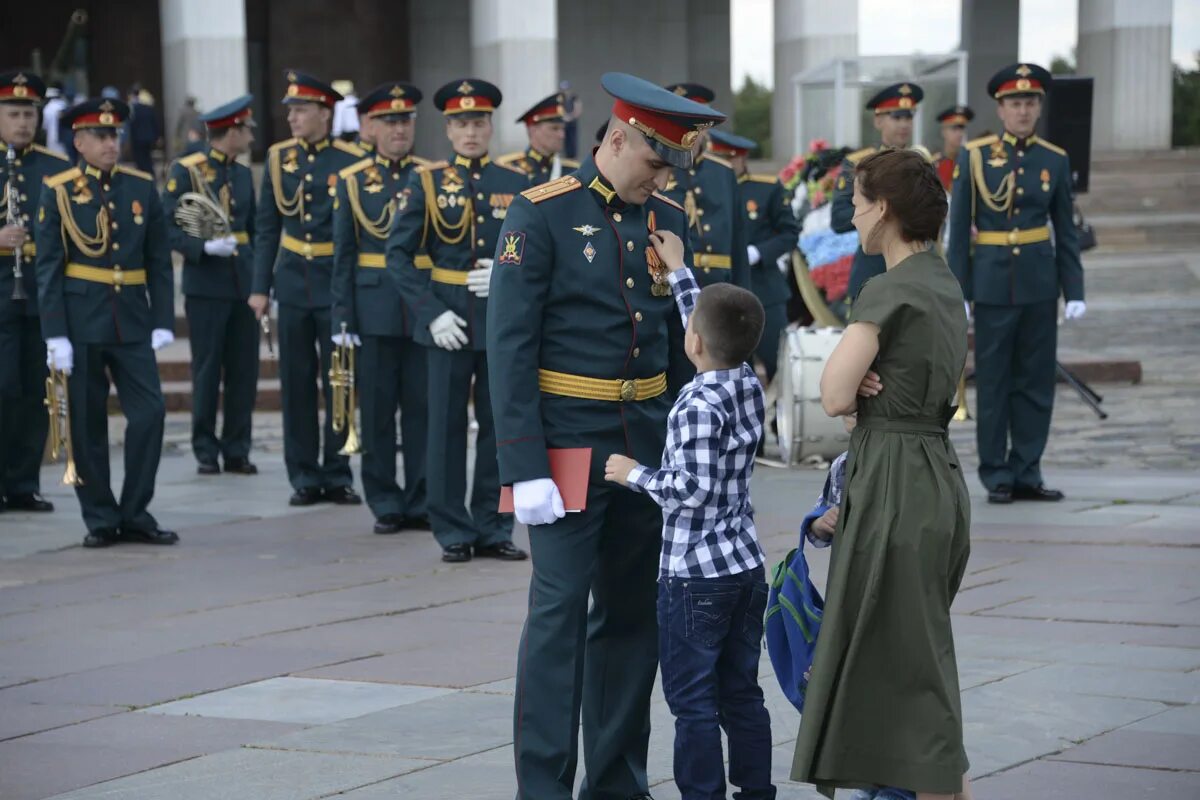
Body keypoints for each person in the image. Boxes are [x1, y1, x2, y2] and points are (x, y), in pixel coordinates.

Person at [489, 71, 724, 800]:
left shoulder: (663, 218)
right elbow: (509, 348)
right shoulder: (540, 214)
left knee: (630, 620)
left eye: (668, 171)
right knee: (558, 619)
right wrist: (522, 465)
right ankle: (543, 788)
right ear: (617, 139)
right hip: (564, 444)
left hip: (645, 446)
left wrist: (690, 446)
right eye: (653, 163)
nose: (659, 181)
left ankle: (618, 783)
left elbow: (676, 342)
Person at [789, 149, 971, 799]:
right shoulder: (943, 280)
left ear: (884, 210)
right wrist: (869, 394)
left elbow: (834, 395)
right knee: (911, 661)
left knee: (915, 676)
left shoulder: (887, 288)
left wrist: (856, 389)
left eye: (860, 202)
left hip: (895, 484)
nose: (855, 214)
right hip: (934, 473)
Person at [604, 252, 775, 800]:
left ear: (694, 342)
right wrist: (680, 274)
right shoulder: (745, 379)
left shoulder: (696, 402)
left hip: (695, 576)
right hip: (745, 565)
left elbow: (691, 491)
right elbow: (709, 322)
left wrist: (635, 475)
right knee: (741, 693)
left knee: (693, 701)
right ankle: (756, 792)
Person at [388, 77, 529, 563]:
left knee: (499, 426)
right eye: (461, 124)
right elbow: (398, 256)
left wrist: (510, 276)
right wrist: (431, 314)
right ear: (448, 130)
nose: (471, 132)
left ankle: (494, 525)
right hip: (446, 317)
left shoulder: (516, 184)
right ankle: (451, 528)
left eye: (479, 123)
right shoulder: (425, 181)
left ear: (490, 127)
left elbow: (533, 251)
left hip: (498, 318)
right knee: (443, 427)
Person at [34, 98, 177, 548]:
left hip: (132, 320)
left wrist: (161, 318)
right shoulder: (58, 189)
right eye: (100, 135)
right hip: (81, 321)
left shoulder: (139, 187)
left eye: (114, 134)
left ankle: (135, 510)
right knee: (86, 423)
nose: (110, 143)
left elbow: (159, 259)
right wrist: (55, 332)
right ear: (78, 141)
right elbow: (49, 267)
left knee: (150, 414)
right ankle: (99, 516)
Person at [947, 63, 1083, 505]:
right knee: (994, 382)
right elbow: (959, 227)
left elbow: (1066, 230)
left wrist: (1074, 289)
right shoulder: (976, 155)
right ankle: (996, 474)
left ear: (1039, 108)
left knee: (1036, 381)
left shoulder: (1055, 159)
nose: (1023, 111)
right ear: (1001, 110)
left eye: (1030, 103)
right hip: (990, 284)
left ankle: (1028, 469)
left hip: (1039, 284)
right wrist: (959, 289)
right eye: (1014, 104)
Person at [248, 70, 365, 507]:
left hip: (335, 283)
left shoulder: (351, 160)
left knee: (340, 379)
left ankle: (337, 473)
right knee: (295, 383)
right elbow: (266, 228)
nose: (292, 118)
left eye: (301, 110)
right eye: (290, 111)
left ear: (324, 112)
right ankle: (303, 475)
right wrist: (260, 287)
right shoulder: (279, 159)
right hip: (294, 281)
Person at [331, 82, 432, 535]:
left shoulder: (431, 174)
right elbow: (343, 256)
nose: (399, 130)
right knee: (375, 412)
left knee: (422, 410)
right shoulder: (352, 181)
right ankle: (385, 500)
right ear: (371, 127)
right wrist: (342, 319)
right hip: (372, 308)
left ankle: (422, 497)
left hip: (421, 308)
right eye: (390, 122)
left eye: (406, 121)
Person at [162, 95, 259, 476]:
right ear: (230, 131)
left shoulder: (240, 171)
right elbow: (169, 225)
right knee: (207, 370)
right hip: (206, 283)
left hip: (243, 282)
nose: (250, 135)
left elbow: (251, 227)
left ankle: (238, 448)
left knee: (243, 371)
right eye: (246, 129)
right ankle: (205, 448)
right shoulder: (186, 170)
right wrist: (201, 247)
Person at [0, 71, 68, 514]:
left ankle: (23, 483)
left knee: (31, 391)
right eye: (13, 113)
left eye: (29, 113)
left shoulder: (55, 168)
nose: (22, 122)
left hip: (39, 296)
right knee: (2, 387)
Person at [659, 82, 749, 394]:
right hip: (676, 293)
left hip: (721, 290)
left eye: (697, 124)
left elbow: (738, 242)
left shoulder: (723, 172)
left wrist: (743, 301)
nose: (692, 133)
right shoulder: (660, 168)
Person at [709, 128, 799, 382]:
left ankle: (779, 422)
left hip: (765, 291)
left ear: (741, 158)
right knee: (729, 371)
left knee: (779, 367)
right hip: (723, 292)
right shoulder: (708, 192)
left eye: (729, 160)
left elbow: (790, 232)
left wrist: (758, 252)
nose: (724, 167)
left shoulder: (766, 188)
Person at [830, 82, 924, 303]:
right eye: (896, 117)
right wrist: (882, 211)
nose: (904, 124)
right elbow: (839, 219)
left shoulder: (921, 165)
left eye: (908, 117)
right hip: (873, 275)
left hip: (915, 276)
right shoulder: (858, 165)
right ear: (878, 120)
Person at [496, 92, 579, 185]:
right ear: (533, 130)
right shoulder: (508, 168)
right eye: (554, 128)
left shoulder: (573, 171)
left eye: (563, 129)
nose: (562, 135)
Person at [932, 105, 973, 193]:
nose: (959, 134)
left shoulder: (970, 162)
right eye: (954, 129)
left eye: (962, 128)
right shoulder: (934, 165)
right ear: (943, 132)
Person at [126, 86, 161, 178]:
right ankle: (151, 175)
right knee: (148, 158)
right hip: (149, 138)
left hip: (138, 139)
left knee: (140, 160)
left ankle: (143, 176)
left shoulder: (134, 109)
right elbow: (155, 123)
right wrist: (156, 137)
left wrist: (131, 140)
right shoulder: (149, 109)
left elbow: (132, 126)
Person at [41, 82, 68, 156]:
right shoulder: (64, 105)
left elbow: (44, 126)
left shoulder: (47, 108)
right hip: (65, 139)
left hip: (51, 139)